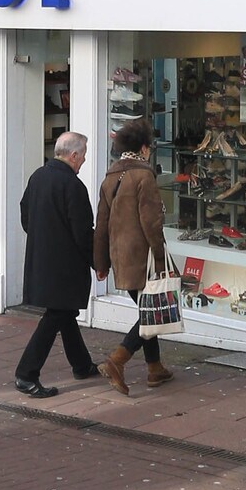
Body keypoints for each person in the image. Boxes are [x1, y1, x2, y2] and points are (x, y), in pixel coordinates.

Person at [93, 120, 175, 395]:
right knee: (152, 313)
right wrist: (161, 260)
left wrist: (101, 263)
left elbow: (101, 224)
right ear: (143, 148)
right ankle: (118, 359)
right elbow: (152, 223)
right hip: (144, 257)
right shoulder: (144, 177)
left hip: (120, 258)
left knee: (146, 309)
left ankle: (155, 369)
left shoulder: (109, 178)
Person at [15, 130, 96, 398]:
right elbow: (83, 232)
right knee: (56, 316)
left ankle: (81, 365)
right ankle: (26, 374)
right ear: (73, 155)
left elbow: (25, 214)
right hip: (66, 265)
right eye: (82, 156)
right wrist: (97, 262)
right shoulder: (73, 186)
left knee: (64, 313)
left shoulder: (38, 177)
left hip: (42, 259)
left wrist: (43, 238)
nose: (83, 161)